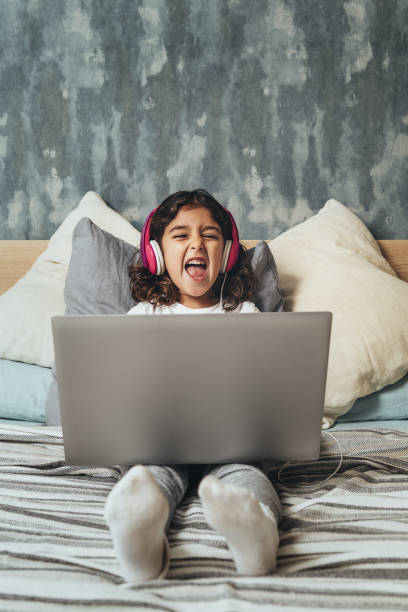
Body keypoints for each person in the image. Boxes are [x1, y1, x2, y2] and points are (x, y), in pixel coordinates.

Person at [104, 189, 281, 583]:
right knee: (153, 475)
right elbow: (121, 390)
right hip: (161, 441)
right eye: (181, 235)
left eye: (210, 235)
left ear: (228, 253)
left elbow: (268, 389)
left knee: (248, 476)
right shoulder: (143, 315)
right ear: (157, 254)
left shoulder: (246, 314)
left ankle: (257, 533)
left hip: (234, 442)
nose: (197, 243)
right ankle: (141, 538)